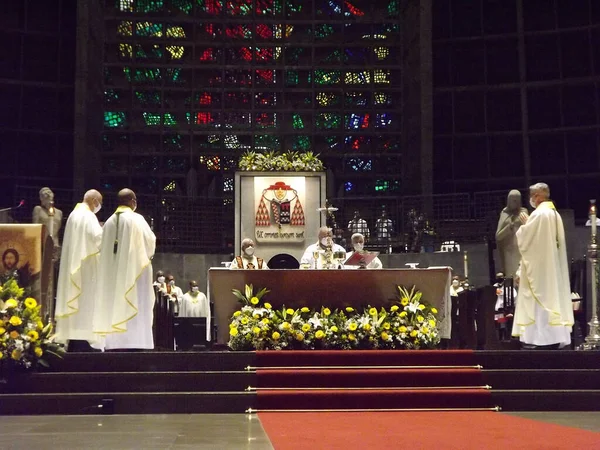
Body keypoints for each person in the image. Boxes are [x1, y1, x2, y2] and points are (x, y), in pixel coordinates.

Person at [512, 183, 573, 349]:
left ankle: (543, 339)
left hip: (540, 270)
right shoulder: (554, 214)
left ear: (538, 196)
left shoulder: (539, 215)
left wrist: (524, 227)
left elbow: (528, 243)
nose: (531, 199)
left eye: (532, 196)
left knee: (541, 299)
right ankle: (553, 337)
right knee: (552, 298)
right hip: (550, 268)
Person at [94, 189, 156, 350]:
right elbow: (150, 243)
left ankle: (115, 343)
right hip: (135, 276)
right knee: (137, 303)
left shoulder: (108, 223)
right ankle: (137, 341)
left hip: (113, 277)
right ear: (133, 201)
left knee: (114, 303)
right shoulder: (137, 219)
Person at [55, 190, 104, 348]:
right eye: (99, 203)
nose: (99, 206)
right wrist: (106, 231)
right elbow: (98, 238)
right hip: (85, 269)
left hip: (74, 266)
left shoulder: (73, 215)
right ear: (94, 200)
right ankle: (83, 340)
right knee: (86, 302)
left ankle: (74, 338)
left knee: (77, 303)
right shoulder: (89, 216)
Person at [496, 190, 528, 278]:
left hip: (522, 250)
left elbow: (529, 230)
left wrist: (525, 223)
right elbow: (498, 236)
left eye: (517, 200)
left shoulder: (523, 212)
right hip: (509, 252)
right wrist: (509, 227)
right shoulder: (505, 214)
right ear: (509, 201)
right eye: (513, 200)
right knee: (511, 278)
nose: (515, 203)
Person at [32, 187, 64, 259]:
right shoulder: (38, 210)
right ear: (41, 198)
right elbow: (34, 228)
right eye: (44, 194)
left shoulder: (59, 213)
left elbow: (57, 230)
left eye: (49, 193)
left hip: (55, 244)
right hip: (42, 244)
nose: (47, 194)